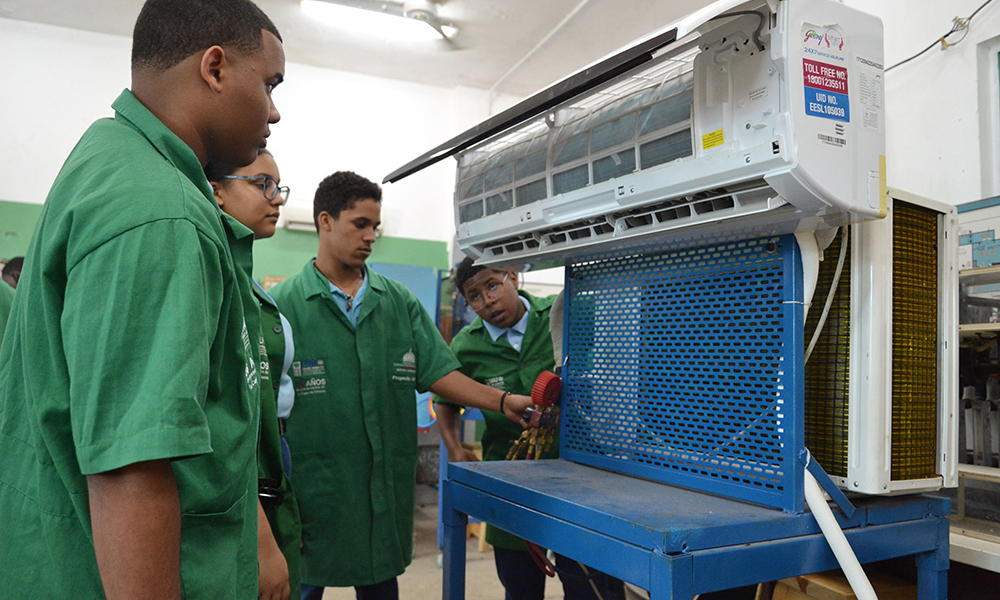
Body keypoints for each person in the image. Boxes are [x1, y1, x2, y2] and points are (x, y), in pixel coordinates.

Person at [0, 1, 285, 598]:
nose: (275, 112)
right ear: (215, 69)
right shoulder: (158, 212)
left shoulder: (109, 159)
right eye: (269, 84)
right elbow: (132, 466)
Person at [268, 171, 533, 600]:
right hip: (313, 497)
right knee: (303, 585)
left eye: (376, 226)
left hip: (381, 497)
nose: (371, 236)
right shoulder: (284, 306)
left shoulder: (398, 302)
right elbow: (264, 413)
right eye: (360, 224)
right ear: (325, 221)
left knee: (380, 587)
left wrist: (502, 402)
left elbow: (438, 373)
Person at [438, 257, 625, 600]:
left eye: (493, 285)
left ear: (513, 277)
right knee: (520, 589)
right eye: (474, 296)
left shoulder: (563, 313)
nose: (488, 300)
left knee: (591, 587)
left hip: (580, 480)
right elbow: (446, 400)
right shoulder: (466, 346)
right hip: (511, 481)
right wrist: (454, 446)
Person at [207, 149, 301, 600]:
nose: (276, 198)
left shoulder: (253, 287)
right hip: (248, 472)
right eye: (262, 183)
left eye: (278, 187)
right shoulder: (217, 279)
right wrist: (262, 541)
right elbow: (224, 425)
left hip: (272, 455)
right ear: (217, 191)